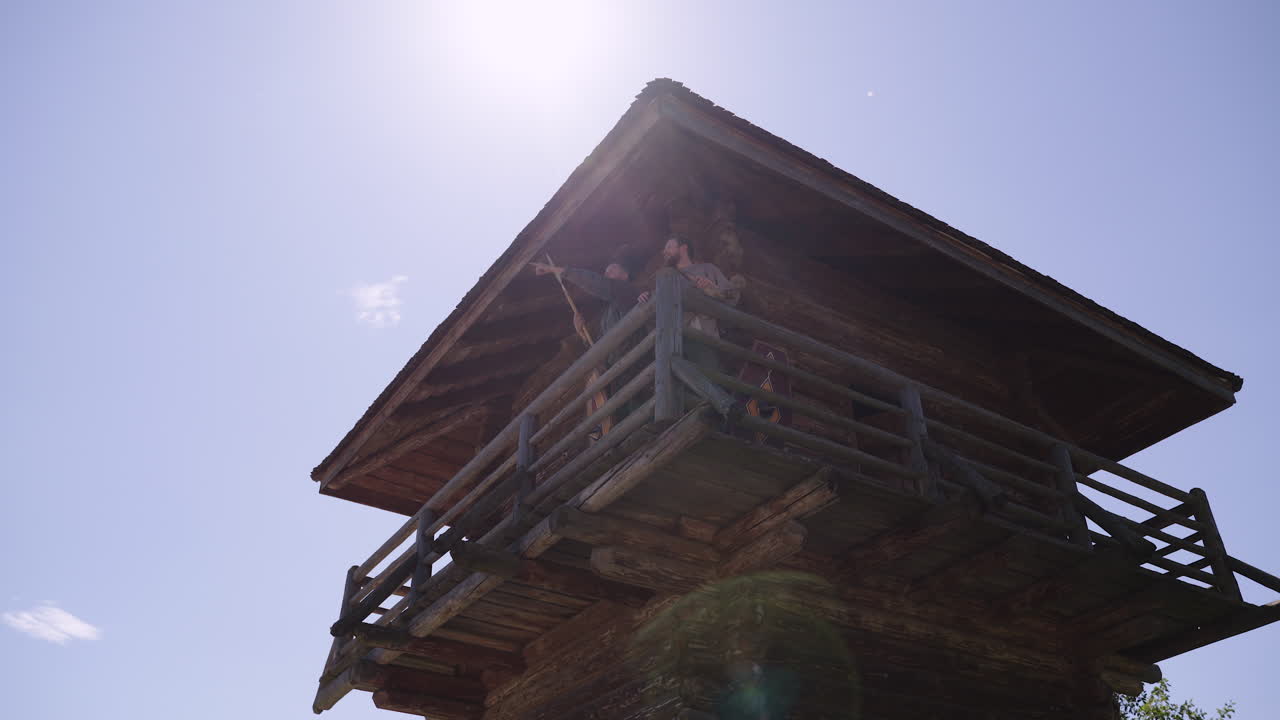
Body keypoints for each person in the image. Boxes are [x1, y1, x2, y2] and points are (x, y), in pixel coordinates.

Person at [638, 235, 740, 373]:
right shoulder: (665, 278)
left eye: (669, 247)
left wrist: (713, 288)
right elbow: (655, 313)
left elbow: (732, 296)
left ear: (683, 248)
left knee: (711, 381)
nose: (664, 251)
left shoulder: (707, 269)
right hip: (676, 346)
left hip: (706, 338)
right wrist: (646, 298)